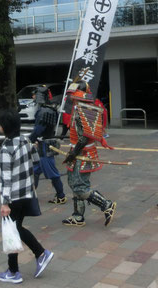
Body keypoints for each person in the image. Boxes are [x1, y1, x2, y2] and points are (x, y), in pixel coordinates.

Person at [0, 109, 54, 283]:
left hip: (13, 197)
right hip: (27, 193)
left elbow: (6, 179)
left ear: (3, 127)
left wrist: (5, 203)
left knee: (12, 231)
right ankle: (34, 257)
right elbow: (36, 160)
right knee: (16, 229)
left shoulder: (6, 149)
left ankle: (19, 269)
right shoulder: (25, 141)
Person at [62, 80, 116, 227]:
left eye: (74, 95)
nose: (71, 98)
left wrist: (73, 153)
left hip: (82, 153)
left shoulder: (81, 110)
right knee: (76, 183)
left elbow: (84, 137)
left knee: (79, 186)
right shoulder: (84, 108)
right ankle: (78, 216)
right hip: (82, 152)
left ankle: (106, 204)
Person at [29, 86, 66, 205]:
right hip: (43, 143)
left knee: (52, 172)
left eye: (35, 94)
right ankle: (30, 195)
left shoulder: (45, 111)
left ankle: (61, 195)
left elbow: (39, 129)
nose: (33, 97)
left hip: (45, 144)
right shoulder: (49, 109)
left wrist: (30, 139)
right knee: (35, 170)